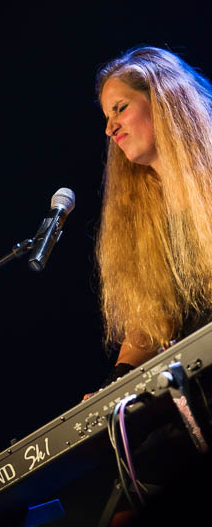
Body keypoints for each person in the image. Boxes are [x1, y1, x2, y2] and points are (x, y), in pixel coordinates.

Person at [88, 46, 212, 525]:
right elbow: (145, 325)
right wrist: (114, 388)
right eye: (106, 116)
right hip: (187, 398)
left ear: (164, 100)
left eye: (120, 108)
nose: (110, 128)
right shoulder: (142, 218)